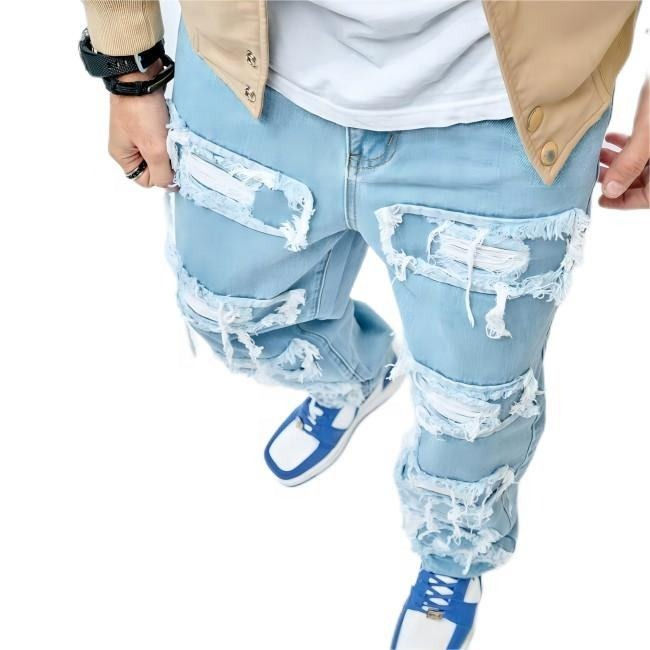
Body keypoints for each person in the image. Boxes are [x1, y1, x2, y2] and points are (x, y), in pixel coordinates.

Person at [80, 2, 648, 648]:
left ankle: (452, 553)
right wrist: (129, 64)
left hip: (504, 109)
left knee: (476, 410)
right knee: (228, 313)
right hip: (248, 63)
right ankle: (357, 375)